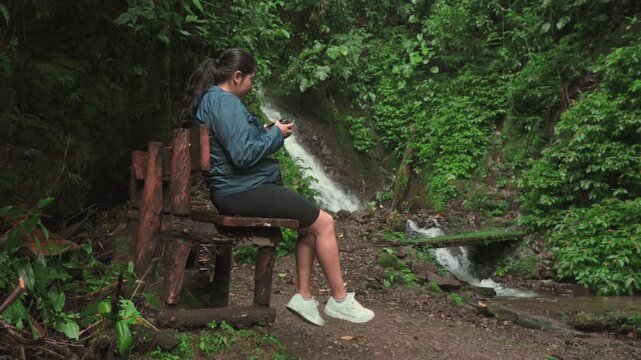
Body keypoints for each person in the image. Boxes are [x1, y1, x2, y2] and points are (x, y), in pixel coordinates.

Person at [178, 48, 374, 326]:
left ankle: (304, 298)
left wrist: (267, 131)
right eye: (250, 79)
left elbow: (237, 144)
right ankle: (340, 300)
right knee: (326, 223)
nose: (251, 84)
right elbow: (243, 155)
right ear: (236, 77)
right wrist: (275, 135)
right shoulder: (225, 103)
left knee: (308, 227)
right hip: (241, 191)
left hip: (236, 189)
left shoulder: (214, 101)